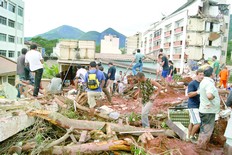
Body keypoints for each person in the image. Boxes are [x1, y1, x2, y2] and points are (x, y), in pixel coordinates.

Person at [197, 66, 220, 149]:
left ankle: (200, 146)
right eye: (213, 72)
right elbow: (209, 95)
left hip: (204, 109)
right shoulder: (209, 83)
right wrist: (214, 97)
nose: (214, 74)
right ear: (211, 74)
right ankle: (201, 148)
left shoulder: (203, 81)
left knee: (203, 129)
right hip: (208, 110)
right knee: (207, 131)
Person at [187, 69, 204, 143]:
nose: (202, 76)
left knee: (192, 122)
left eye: (203, 75)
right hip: (193, 105)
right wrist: (197, 92)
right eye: (200, 74)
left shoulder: (203, 83)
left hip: (199, 105)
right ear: (197, 75)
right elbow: (189, 94)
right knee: (197, 123)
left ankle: (188, 136)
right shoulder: (192, 84)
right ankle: (191, 136)